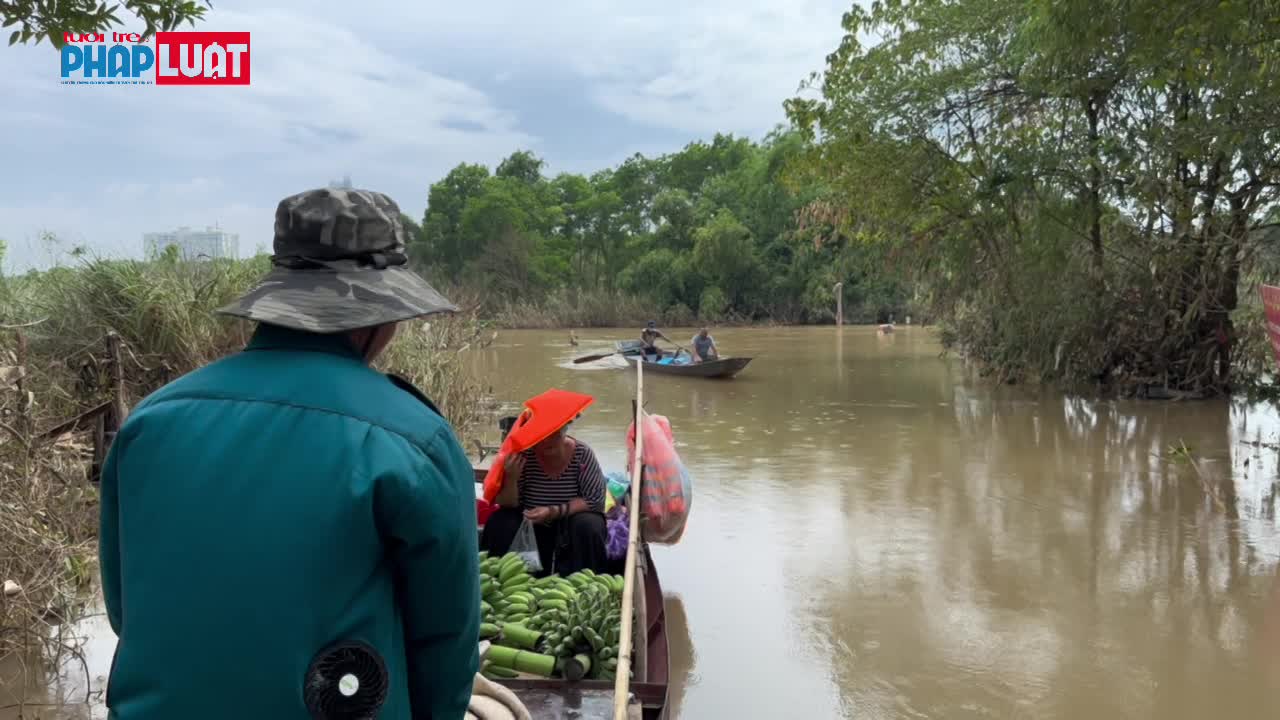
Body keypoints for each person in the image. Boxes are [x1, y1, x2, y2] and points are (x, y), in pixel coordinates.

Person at [97, 188, 480, 720]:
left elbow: (126, 609)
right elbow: (446, 641)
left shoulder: (151, 421)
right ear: (376, 316)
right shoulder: (412, 439)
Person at [480, 410, 609, 576]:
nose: (547, 440)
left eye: (553, 434)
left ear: (563, 431)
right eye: (540, 436)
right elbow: (508, 503)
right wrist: (511, 478)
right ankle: (499, 580)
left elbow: (595, 500)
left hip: (569, 522)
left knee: (589, 524)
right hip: (531, 520)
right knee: (501, 521)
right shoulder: (523, 456)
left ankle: (586, 582)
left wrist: (553, 511)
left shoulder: (582, 454)